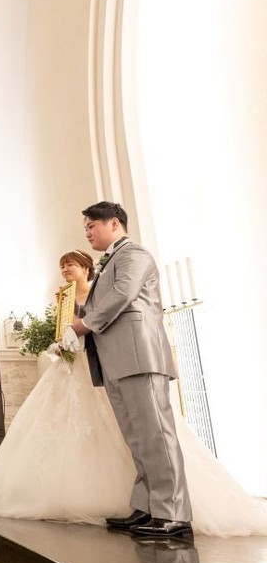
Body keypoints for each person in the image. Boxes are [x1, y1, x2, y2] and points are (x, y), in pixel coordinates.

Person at [0, 246, 267, 537]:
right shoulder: (64, 297)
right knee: (121, 433)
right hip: (80, 365)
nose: (65, 269)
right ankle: (140, 503)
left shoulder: (102, 288)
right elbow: (66, 329)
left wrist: (78, 328)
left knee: (142, 433)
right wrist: (61, 341)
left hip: (110, 363)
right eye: (62, 266)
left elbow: (104, 319)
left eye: (70, 264)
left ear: (85, 268)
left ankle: (166, 508)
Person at [72, 201, 191, 538]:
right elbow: (102, 303)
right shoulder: (109, 261)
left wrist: (84, 324)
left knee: (156, 434)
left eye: (91, 226)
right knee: (137, 438)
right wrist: (73, 312)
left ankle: (173, 513)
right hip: (116, 358)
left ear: (114, 223)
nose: (87, 233)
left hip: (139, 355)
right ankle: (147, 506)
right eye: (86, 228)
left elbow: (123, 293)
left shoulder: (133, 254)